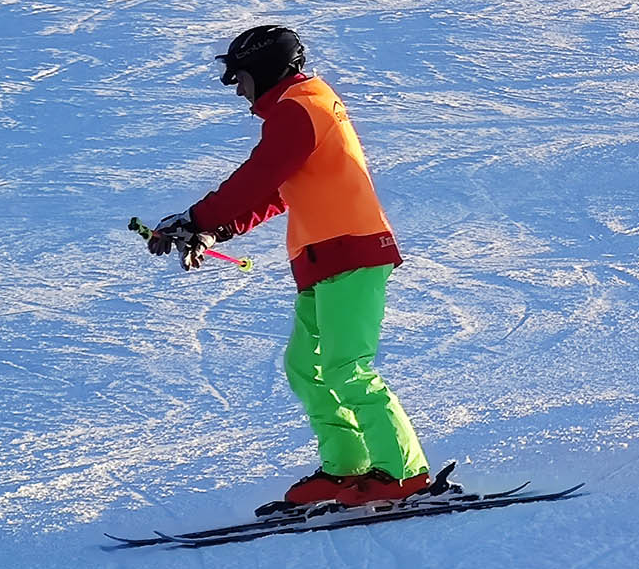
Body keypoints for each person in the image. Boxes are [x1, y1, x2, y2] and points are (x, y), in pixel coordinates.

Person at [145, 26, 434, 508]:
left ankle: (405, 473)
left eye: (239, 77)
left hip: (351, 250)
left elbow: (259, 176)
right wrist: (215, 230)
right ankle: (347, 466)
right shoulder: (300, 108)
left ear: (262, 70)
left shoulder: (301, 108)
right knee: (305, 367)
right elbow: (279, 191)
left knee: (346, 367)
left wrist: (196, 218)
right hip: (324, 258)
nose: (237, 90)